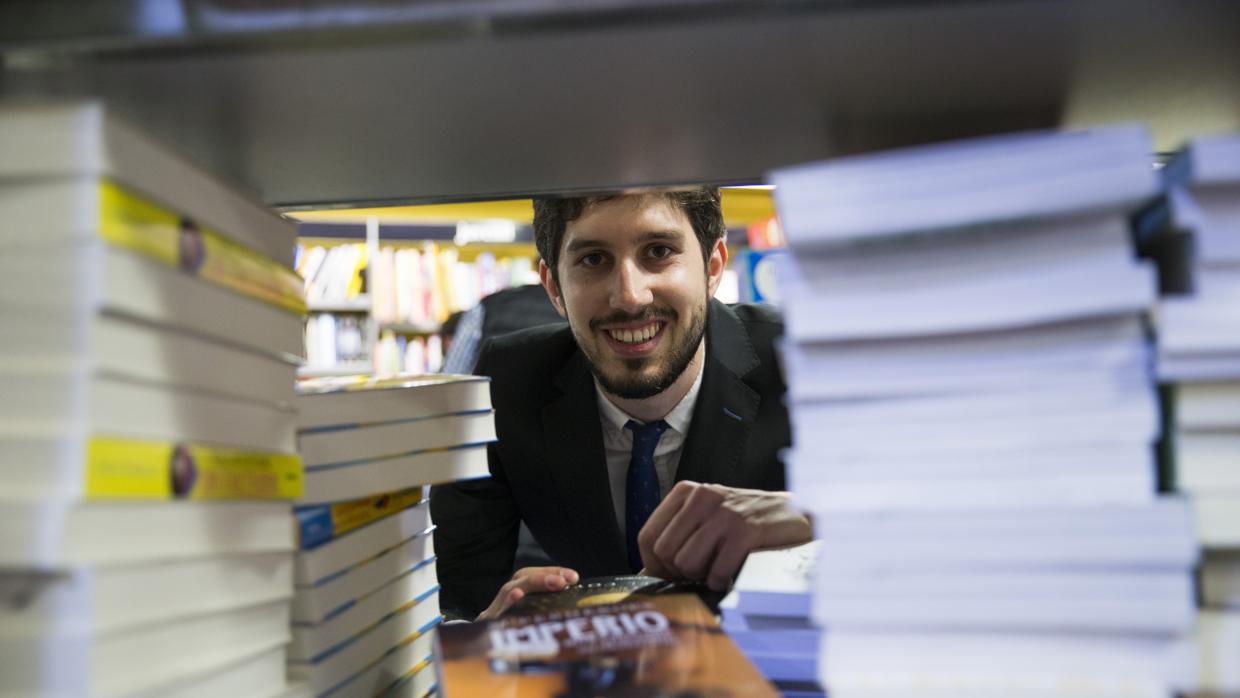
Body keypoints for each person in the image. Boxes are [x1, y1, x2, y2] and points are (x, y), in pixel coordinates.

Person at [430, 188, 810, 621]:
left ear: (712, 266)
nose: (630, 296)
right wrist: (479, 634)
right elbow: (454, 596)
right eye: (593, 259)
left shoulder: (804, 363)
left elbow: (898, 531)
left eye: (659, 251)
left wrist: (813, 514)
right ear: (554, 287)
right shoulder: (506, 385)